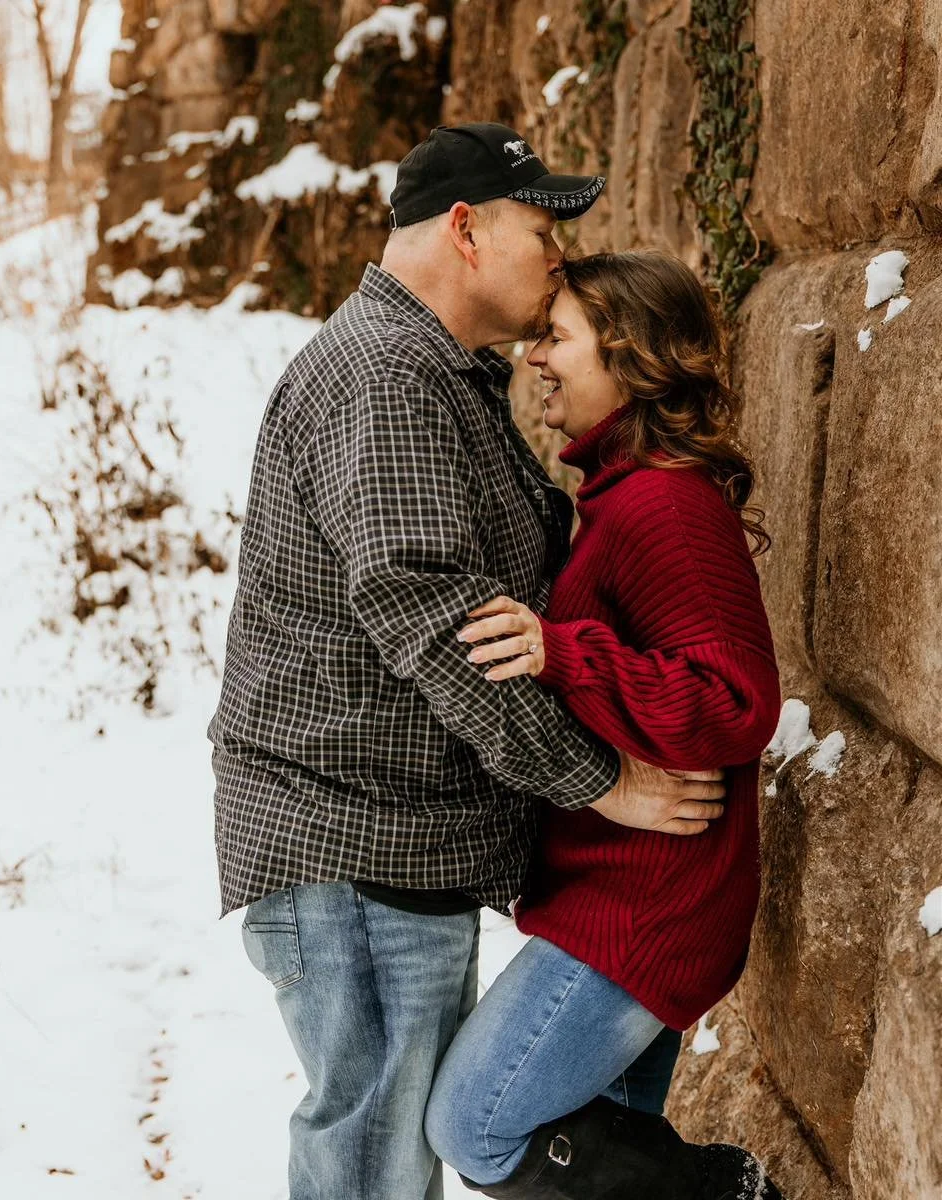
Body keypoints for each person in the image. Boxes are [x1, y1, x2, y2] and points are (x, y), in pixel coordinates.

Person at [207, 125, 727, 1200]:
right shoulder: (389, 381)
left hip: (390, 847)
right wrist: (607, 785)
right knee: (375, 1158)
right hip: (354, 841)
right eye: (542, 227)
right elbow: (438, 620)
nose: (555, 256)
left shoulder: (433, 374)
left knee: (391, 1148)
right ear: (465, 229)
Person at [423, 251, 786, 1199]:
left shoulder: (664, 506)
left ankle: (728, 1192)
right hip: (620, 891)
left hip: (644, 907)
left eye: (557, 336)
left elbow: (738, 702)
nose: (535, 357)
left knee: (475, 1122)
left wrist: (563, 651)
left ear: (626, 356)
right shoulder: (623, 500)